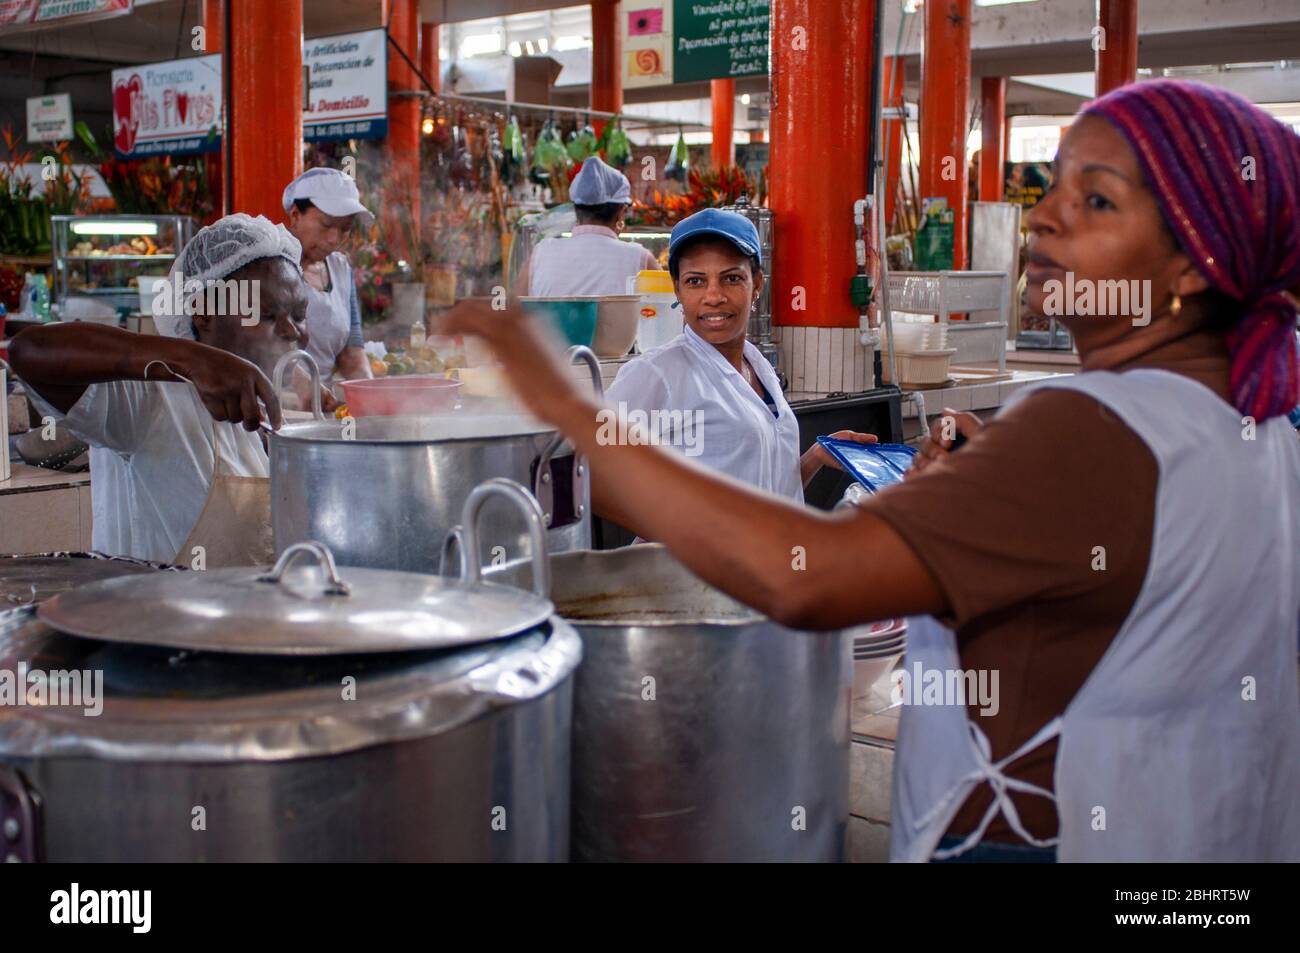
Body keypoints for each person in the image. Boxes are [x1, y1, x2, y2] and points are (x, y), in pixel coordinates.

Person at [442, 80, 1300, 862]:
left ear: (1195, 260)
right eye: (1056, 189)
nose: (1043, 218)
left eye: (1097, 199)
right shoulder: (1254, 422)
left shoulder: (1089, 427)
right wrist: (965, 494)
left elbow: (804, 579)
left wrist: (563, 407)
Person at [8, 213, 309, 567]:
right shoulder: (150, 399)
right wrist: (192, 359)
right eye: (267, 315)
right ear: (204, 315)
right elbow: (28, 350)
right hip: (151, 617)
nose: (292, 330)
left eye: (300, 314)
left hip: (245, 617)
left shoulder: (275, 413)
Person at [605, 208, 874, 506]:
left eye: (731, 278)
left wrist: (815, 458)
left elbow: (769, 494)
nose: (714, 295)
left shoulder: (758, 367)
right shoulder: (657, 374)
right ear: (677, 290)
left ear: (757, 284)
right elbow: (594, 480)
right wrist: (678, 532)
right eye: (696, 281)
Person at [282, 166, 374, 403]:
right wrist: (304, 386)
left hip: (323, 408)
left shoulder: (341, 269)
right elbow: (254, 342)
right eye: (326, 225)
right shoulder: (269, 265)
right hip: (273, 406)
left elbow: (351, 352)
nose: (335, 239)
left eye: (345, 229)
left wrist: (371, 394)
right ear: (295, 216)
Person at [518, 155, 656, 296]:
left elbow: (515, 310)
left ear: (575, 209)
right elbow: (667, 311)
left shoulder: (540, 254)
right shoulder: (641, 260)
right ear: (621, 213)